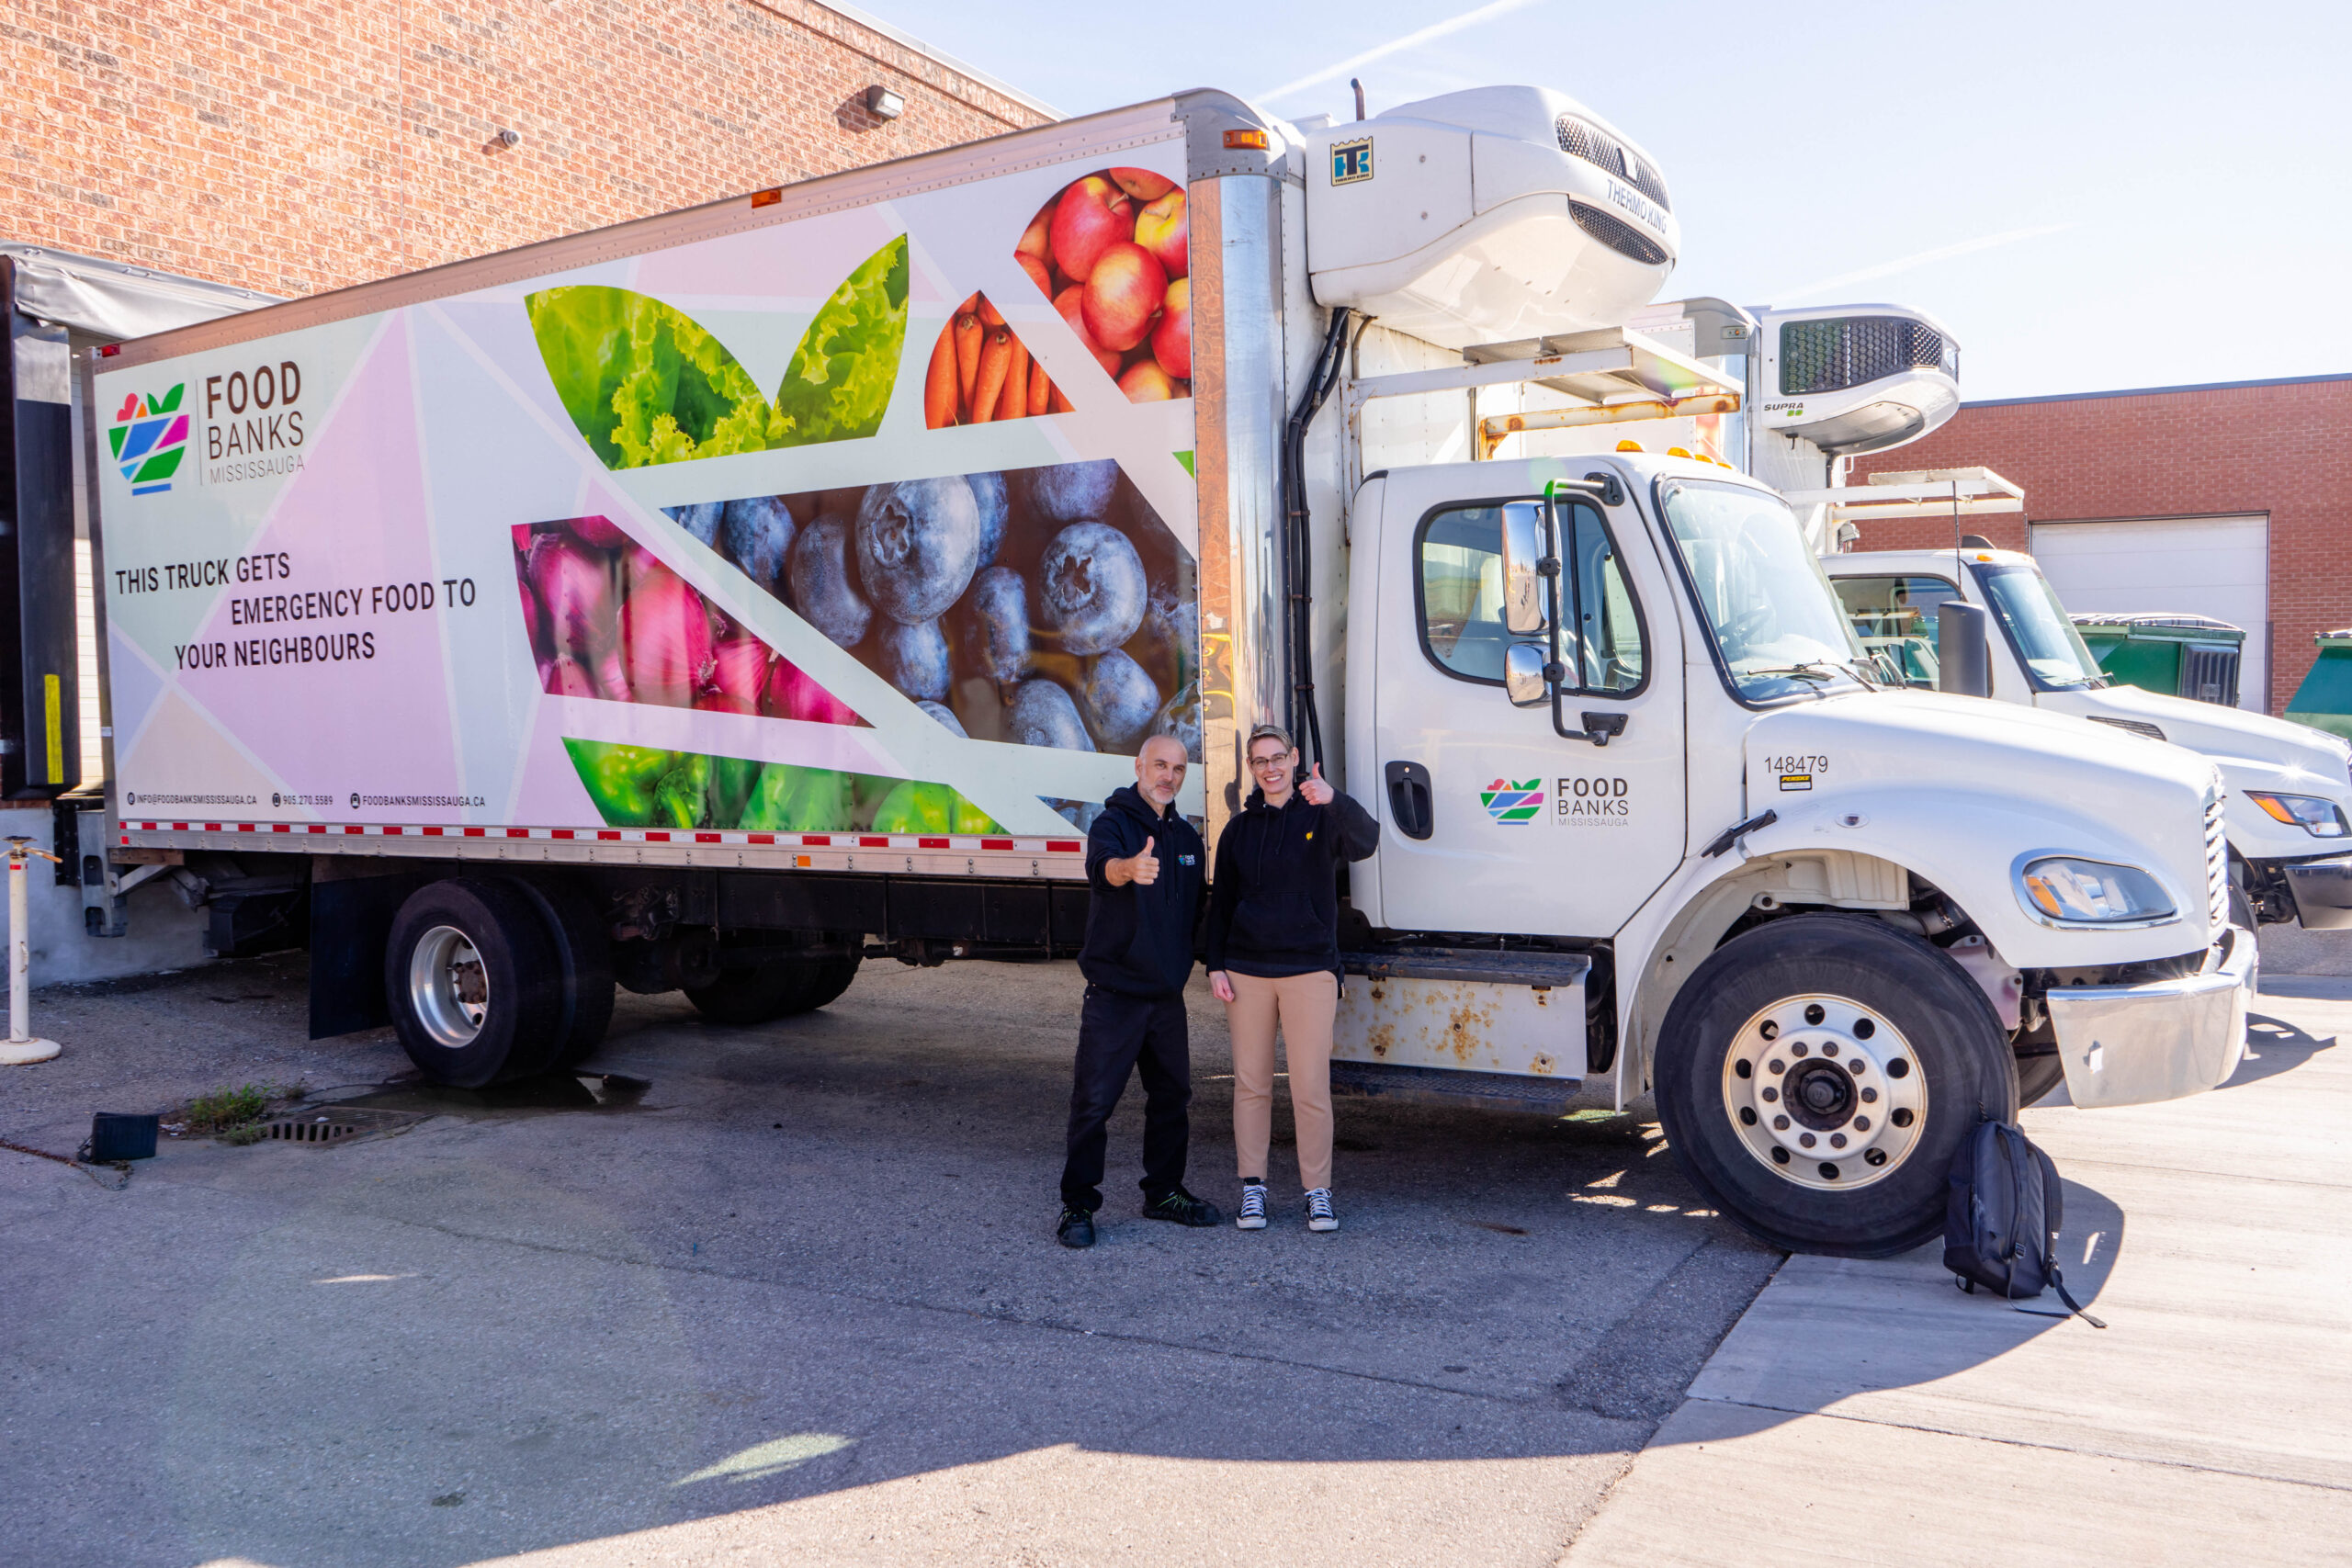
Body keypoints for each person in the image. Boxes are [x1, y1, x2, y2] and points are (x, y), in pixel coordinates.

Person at [1204, 724, 1379, 1234]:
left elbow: (1367, 841)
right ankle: (1253, 1189)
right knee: (1252, 1085)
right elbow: (1222, 906)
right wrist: (1215, 963)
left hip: (1310, 970)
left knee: (1309, 1087)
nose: (1270, 768)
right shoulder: (1238, 830)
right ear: (1252, 770)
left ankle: (1317, 1192)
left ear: (1294, 757)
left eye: (1278, 758)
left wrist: (1334, 798)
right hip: (1247, 972)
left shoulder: (1322, 816)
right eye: (1260, 762)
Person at [1057, 732, 1223, 1248]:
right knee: (1094, 1103)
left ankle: (1164, 1192)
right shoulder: (1113, 822)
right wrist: (1128, 869)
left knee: (1172, 1098)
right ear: (1138, 765)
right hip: (1115, 994)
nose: (1167, 776)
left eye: (1177, 769)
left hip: (1165, 999)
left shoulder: (1189, 841)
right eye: (1159, 765)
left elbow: (1196, 917)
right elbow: (1100, 868)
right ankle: (1078, 1206)